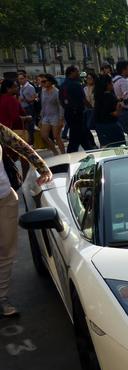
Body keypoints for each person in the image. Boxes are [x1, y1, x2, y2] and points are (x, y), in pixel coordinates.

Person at [1, 123, 52, 316]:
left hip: (4, 198)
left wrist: (43, 168)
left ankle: (1, 298)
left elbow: (21, 145)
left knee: (6, 251)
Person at [59, 65, 96, 152]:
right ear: (72, 72)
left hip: (69, 113)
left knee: (80, 134)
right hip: (77, 113)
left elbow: (61, 100)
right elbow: (83, 99)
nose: (78, 73)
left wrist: (67, 108)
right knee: (76, 135)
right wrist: (91, 108)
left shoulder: (63, 85)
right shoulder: (76, 84)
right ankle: (73, 152)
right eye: (77, 71)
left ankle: (89, 149)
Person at [93, 75, 125, 147]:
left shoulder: (97, 96)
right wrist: (119, 106)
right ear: (107, 84)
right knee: (119, 148)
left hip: (100, 126)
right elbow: (116, 113)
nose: (112, 84)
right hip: (111, 125)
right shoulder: (110, 96)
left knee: (106, 149)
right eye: (111, 82)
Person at [38, 74, 66, 155]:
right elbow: (43, 106)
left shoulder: (56, 92)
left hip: (56, 116)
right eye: (41, 81)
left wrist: (61, 119)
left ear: (50, 81)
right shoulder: (43, 91)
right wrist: (41, 118)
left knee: (56, 137)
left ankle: (63, 154)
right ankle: (55, 153)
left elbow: (61, 106)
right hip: (46, 117)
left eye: (44, 81)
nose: (42, 83)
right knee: (44, 136)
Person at [17, 72, 36, 145]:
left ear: (25, 78)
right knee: (26, 126)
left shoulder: (30, 87)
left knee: (30, 125)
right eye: (19, 79)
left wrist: (24, 100)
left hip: (29, 108)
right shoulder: (21, 87)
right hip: (23, 108)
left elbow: (34, 98)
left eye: (21, 78)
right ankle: (28, 140)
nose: (20, 80)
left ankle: (32, 141)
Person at [83, 71, 97, 146]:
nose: (89, 79)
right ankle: (92, 143)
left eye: (90, 78)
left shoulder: (97, 88)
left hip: (96, 110)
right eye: (87, 78)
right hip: (88, 110)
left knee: (97, 128)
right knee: (86, 128)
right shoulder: (84, 88)